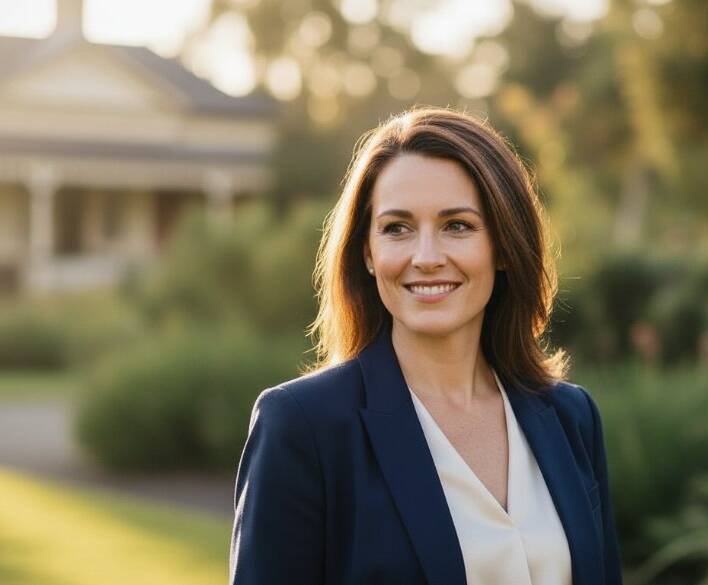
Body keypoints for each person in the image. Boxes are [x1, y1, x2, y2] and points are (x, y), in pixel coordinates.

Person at [229, 106, 622, 585]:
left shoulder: (570, 417)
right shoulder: (304, 426)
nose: (427, 257)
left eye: (457, 225)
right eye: (397, 228)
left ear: (502, 246)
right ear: (368, 252)